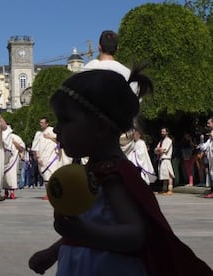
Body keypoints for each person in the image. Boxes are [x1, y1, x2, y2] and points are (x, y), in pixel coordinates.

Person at [28, 69, 212, 275]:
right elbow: (94, 225)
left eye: (66, 120)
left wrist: (81, 231)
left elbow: (135, 235)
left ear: (99, 125)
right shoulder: (95, 171)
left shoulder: (113, 176)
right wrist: (52, 252)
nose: (56, 129)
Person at [84, 30, 138, 156]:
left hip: (93, 135)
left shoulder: (86, 70)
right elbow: (135, 106)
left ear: (99, 47)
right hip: (120, 136)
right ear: (117, 48)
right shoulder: (127, 73)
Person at [31, 117, 59, 200]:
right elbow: (35, 147)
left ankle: (53, 193)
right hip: (43, 158)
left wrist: (50, 137)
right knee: (46, 176)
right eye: (40, 122)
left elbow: (59, 141)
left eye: (43, 123)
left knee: (52, 175)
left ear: (47, 123)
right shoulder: (38, 134)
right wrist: (37, 157)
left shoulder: (52, 130)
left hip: (52, 156)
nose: (41, 124)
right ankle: (48, 193)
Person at [2, 125, 25, 199]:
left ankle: (12, 192)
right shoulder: (0, 137)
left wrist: (15, 143)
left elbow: (21, 149)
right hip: (3, 159)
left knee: (12, 175)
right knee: (4, 177)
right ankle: (5, 192)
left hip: (13, 159)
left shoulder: (15, 137)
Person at [154, 127, 175, 195]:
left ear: (167, 132)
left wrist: (159, 150)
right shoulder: (161, 141)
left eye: (163, 131)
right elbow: (155, 150)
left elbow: (163, 150)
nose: (162, 133)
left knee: (169, 175)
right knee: (164, 175)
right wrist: (158, 150)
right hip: (161, 159)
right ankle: (164, 189)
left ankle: (170, 189)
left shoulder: (169, 140)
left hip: (166, 159)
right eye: (161, 131)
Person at [198, 117, 213, 198]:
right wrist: (201, 140)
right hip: (211, 159)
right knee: (211, 174)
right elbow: (204, 147)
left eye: (209, 123)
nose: (208, 125)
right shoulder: (210, 136)